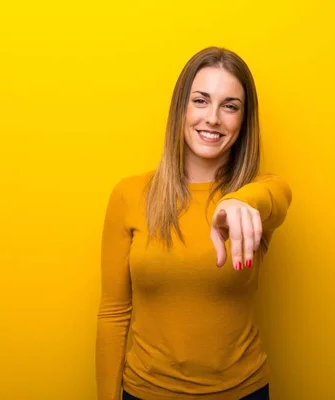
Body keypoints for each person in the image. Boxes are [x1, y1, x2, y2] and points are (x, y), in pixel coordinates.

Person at [96, 46, 292, 400]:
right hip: (145, 393)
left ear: (243, 121)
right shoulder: (129, 194)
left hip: (242, 392)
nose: (213, 118)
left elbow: (278, 195)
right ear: (180, 109)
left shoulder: (259, 195)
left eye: (230, 106)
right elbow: (113, 312)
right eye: (201, 100)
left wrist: (238, 201)